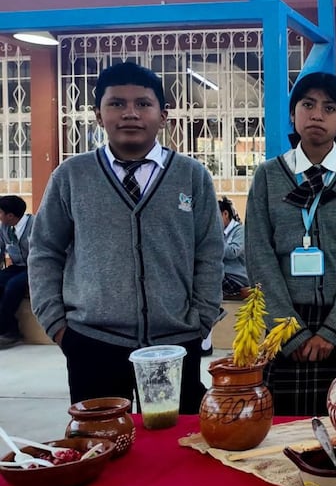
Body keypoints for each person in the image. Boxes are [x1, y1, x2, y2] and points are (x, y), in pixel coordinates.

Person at [28, 61, 224, 413]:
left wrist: (201, 320)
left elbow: (209, 252)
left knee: (176, 449)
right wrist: (58, 326)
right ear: (98, 115)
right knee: (101, 447)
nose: (130, 113)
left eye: (143, 104)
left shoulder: (192, 177)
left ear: (163, 115)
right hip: (92, 341)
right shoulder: (71, 176)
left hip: (175, 343)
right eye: (116, 103)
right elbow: (44, 251)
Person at [245, 72, 336, 416]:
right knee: (281, 433)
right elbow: (259, 257)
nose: (317, 114)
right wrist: (287, 330)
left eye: (329, 107)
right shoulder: (267, 176)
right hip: (282, 323)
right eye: (307, 105)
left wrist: (334, 331)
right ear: (293, 114)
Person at [201, 195, 250, 356]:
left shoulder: (240, 230)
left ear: (225, 214)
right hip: (221, 276)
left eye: (215, 217)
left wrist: (215, 240)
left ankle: (215, 312)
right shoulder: (221, 232)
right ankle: (212, 315)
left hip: (236, 278)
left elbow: (234, 251)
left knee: (209, 281)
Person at [0, 195, 31, 349]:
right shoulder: (4, 227)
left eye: (0, 212)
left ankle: (8, 332)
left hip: (36, 267)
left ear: (10, 215)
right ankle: (10, 329)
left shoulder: (35, 225)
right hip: (18, 266)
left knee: (13, 286)